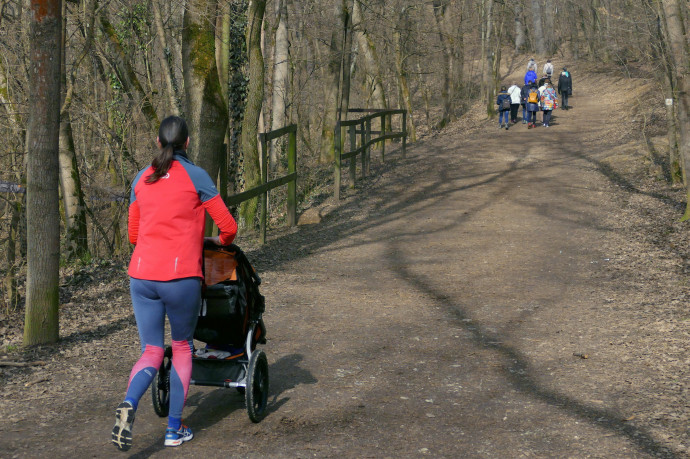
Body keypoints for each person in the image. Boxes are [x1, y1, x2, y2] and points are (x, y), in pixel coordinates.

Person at [111, 116, 238, 451]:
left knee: (151, 350)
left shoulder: (141, 177)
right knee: (181, 347)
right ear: (188, 142)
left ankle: (129, 402)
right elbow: (229, 225)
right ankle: (173, 430)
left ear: (157, 142)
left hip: (141, 275)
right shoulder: (196, 175)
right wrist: (220, 242)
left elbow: (133, 235)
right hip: (180, 277)